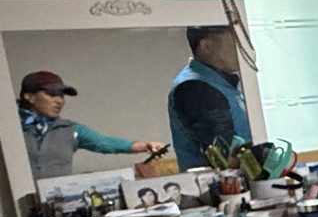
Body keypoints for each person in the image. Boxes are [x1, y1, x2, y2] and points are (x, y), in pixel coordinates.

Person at [17, 70, 163, 180]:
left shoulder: (70, 129)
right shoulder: (12, 127)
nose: (59, 100)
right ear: (29, 96)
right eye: (51, 94)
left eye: (61, 95)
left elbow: (104, 143)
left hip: (55, 201)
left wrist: (144, 146)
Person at [167, 26, 252, 169]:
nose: (241, 50)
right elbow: (225, 154)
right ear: (206, 46)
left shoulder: (218, 82)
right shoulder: (196, 88)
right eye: (233, 44)